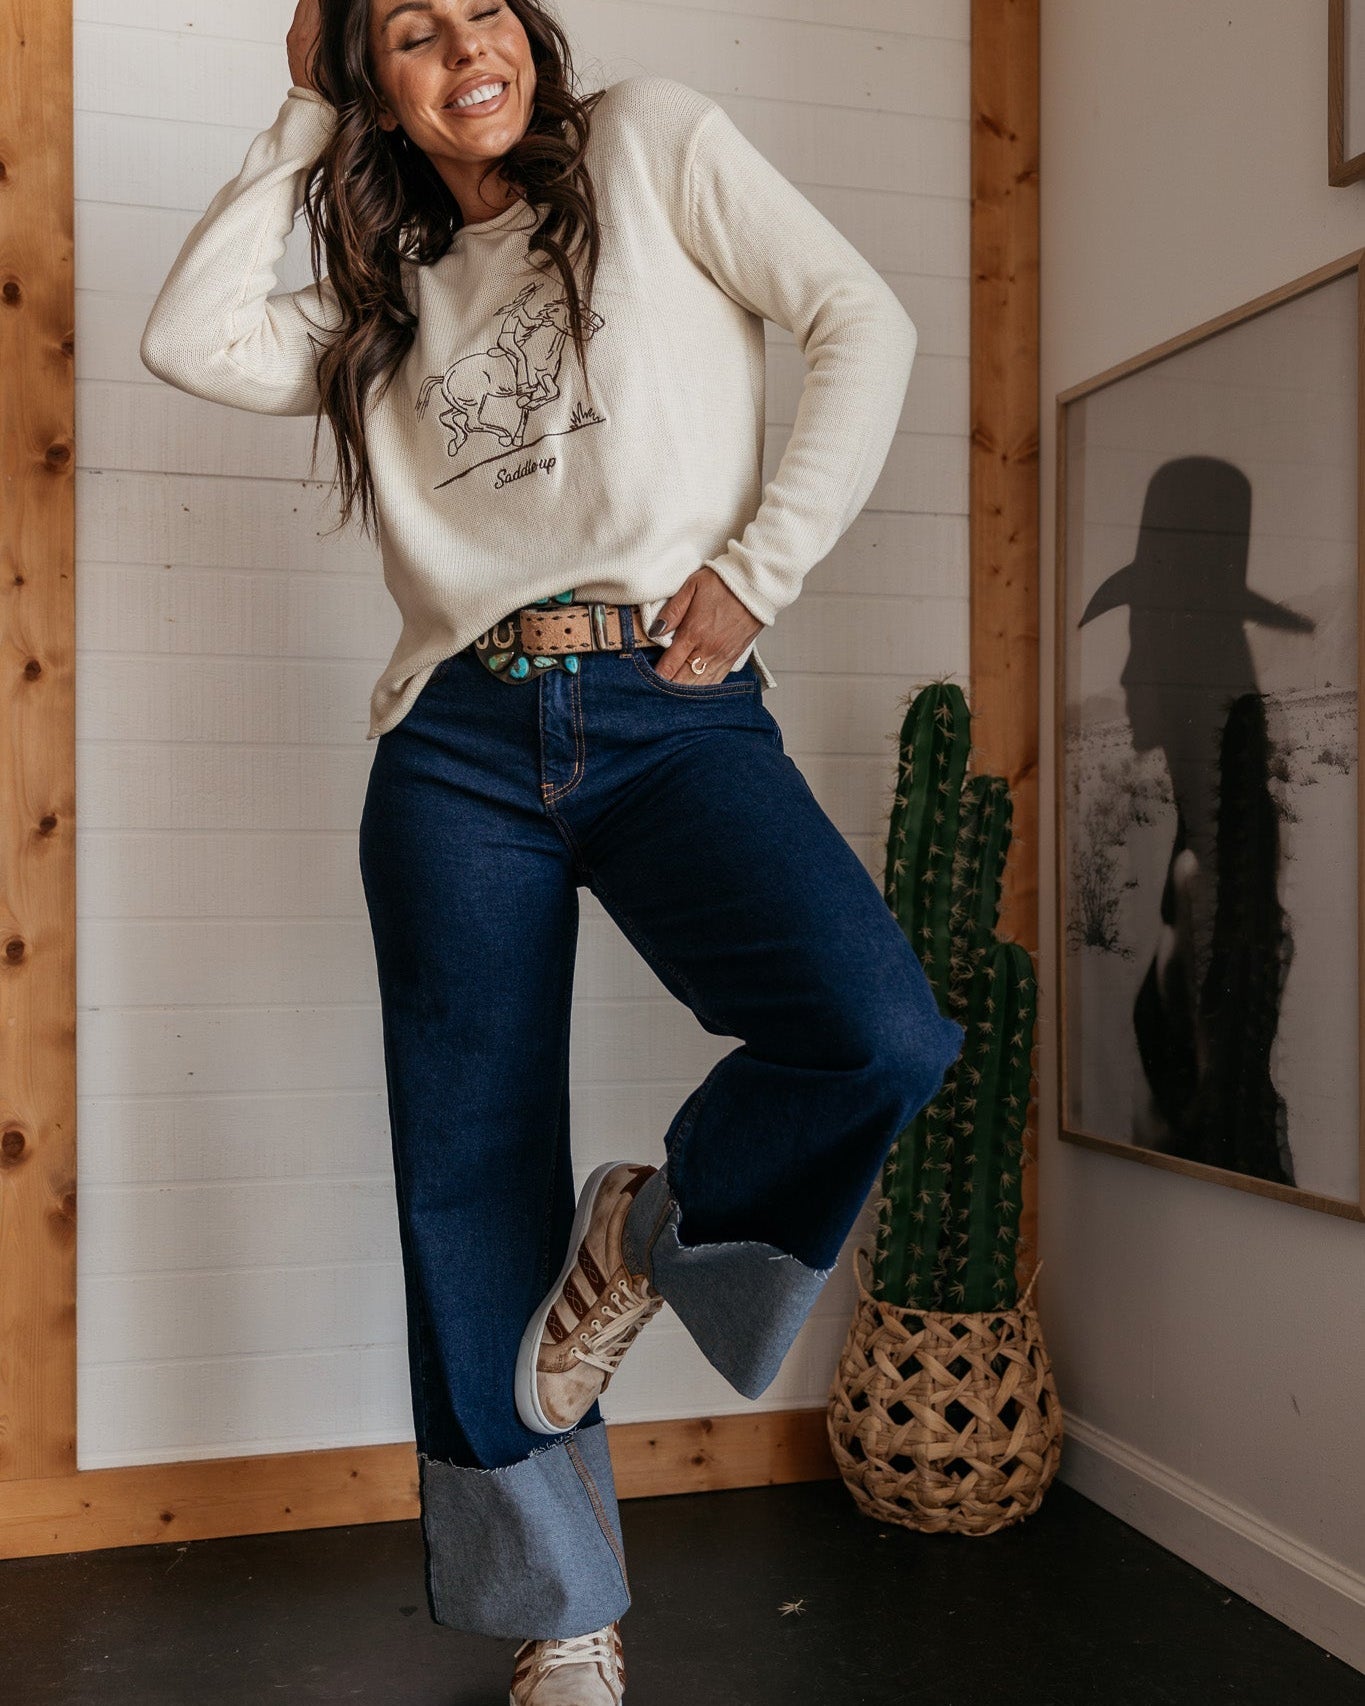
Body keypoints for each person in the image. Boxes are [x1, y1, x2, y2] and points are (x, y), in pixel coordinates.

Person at [140, 2, 965, 1699]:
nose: (465, 51)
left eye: (484, 11)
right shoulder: (375, 299)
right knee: (465, 1178)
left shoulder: (658, 142)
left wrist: (764, 564)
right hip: (451, 742)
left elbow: (858, 318)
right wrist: (298, 112)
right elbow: (184, 337)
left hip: (666, 699)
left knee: (876, 1028)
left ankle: (644, 1231)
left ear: (534, 29)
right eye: (413, 35)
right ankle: (560, 1616)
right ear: (376, 81)